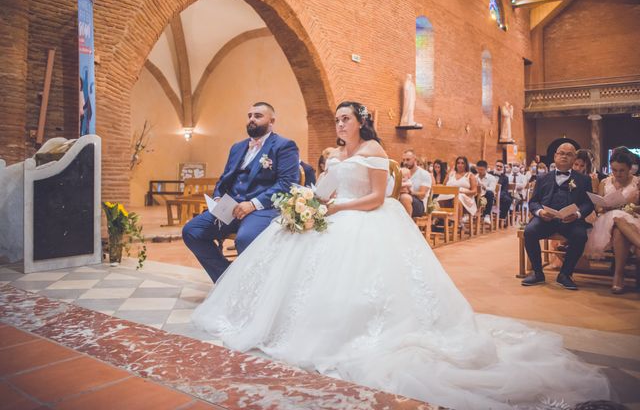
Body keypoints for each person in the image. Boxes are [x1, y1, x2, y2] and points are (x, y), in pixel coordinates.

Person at [192, 101, 610, 409]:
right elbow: (324, 190)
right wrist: (307, 204)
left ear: (361, 123)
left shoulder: (374, 153)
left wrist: (334, 208)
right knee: (290, 246)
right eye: (336, 119)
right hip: (334, 213)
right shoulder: (337, 154)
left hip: (366, 218)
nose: (339, 125)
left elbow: (377, 197)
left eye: (345, 119)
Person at [182, 102, 300, 283]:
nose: (252, 119)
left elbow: (287, 184)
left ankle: (254, 286)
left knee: (246, 239)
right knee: (192, 231)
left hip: (262, 209)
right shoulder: (238, 147)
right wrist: (218, 197)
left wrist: (253, 204)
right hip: (230, 208)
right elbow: (224, 178)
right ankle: (227, 280)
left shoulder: (284, 146)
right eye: (250, 115)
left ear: (272, 121)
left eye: (258, 116)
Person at [522, 143, 595, 290]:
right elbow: (534, 202)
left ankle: (565, 274)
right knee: (529, 231)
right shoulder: (543, 178)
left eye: (568, 154)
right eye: (561, 153)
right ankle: (537, 273)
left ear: (574, 158)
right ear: (555, 156)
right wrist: (540, 212)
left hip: (571, 221)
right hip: (546, 220)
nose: (564, 156)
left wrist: (578, 214)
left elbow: (588, 204)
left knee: (580, 236)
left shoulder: (583, 180)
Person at [584, 147, 640, 294]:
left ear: (630, 168)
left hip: (632, 221)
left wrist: (632, 207)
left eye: (622, 170)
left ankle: (618, 276)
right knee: (615, 218)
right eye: (614, 170)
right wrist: (603, 207)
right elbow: (598, 207)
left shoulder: (637, 183)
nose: (618, 174)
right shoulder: (605, 182)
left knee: (619, 230)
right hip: (606, 222)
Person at [399, 149, 432, 217]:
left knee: (404, 197)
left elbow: (422, 195)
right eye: (403, 160)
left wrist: (410, 192)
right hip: (403, 199)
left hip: (419, 204)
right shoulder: (401, 172)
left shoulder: (424, 174)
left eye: (408, 160)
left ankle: (407, 225)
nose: (405, 162)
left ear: (415, 159)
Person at [476, 160, 497, 225]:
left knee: (489, 193)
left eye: (482, 170)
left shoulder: (491, 178)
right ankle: (467, 215)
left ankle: (487, 215)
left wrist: (483, 186)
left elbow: (492, 189)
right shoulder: (474, 177)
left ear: (486, 169)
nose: (480, 171)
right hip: (476, 197)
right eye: (478, 169)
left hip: (485, 198)